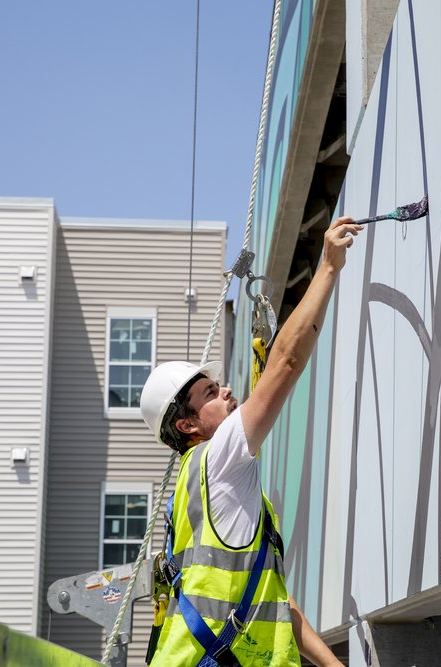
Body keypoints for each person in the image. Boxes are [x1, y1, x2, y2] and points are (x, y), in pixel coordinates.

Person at [140, 216, 362, 667]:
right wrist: (329, 267)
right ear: (187, 426)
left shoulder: (197, 489)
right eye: (209, 393)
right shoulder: (217, 458)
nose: (225, 391)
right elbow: (286, 362)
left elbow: (274, 603)